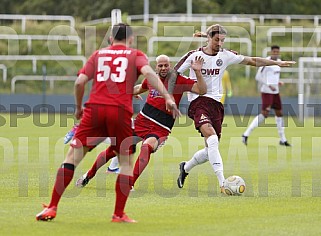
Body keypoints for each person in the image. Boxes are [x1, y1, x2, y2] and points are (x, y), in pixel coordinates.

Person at [35, 23, 180, 223]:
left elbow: (79, 83)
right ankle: (118, 214)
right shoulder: (135, 55)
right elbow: (149, 75)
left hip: (93, 110)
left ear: (111, 39)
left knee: (72, 157)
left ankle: (51, 207)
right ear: (130, 40)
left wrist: (78, 108)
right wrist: (168, 97)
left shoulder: (98, 55)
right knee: (126, 163)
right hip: (119, 112)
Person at [170, 25, 295, 191]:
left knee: (210, 150)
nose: (219, 43)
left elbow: (252, 61)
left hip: (216, 105)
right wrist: (169, 97)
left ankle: (185, 167)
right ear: (208, 38)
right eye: (216, 40)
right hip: (198, 102)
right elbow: (173, 73)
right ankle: (223, 184)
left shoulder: (226, 55)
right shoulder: (195, 56)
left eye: (222, 40)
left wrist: (276, 63)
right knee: (213, 140)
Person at [74, 54, 207, 190]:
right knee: (114, 149)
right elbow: (139, 88)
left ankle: (129, 183)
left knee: (146, 148)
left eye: (166, 65)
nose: (163, 68)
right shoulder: (151, 79)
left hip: (161, 127)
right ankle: (88, 176)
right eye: (160, 65)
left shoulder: (179, 80)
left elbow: (201, 90)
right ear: (156, 66)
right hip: (141, 122)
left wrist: (197, 72)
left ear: (170, 65)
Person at [242, 45, 291, 146]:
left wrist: (278, 82)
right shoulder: (265, 62)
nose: (276, 53)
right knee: (265, 114)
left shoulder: (279, 62)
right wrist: (268, 85)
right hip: (266, 92)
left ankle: (283, 139)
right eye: (274, 52)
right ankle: (246, 134)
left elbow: (273, 77)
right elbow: (258, 77)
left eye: (277, 52)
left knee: (279, 113)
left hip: (275, 92)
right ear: (271, 52)